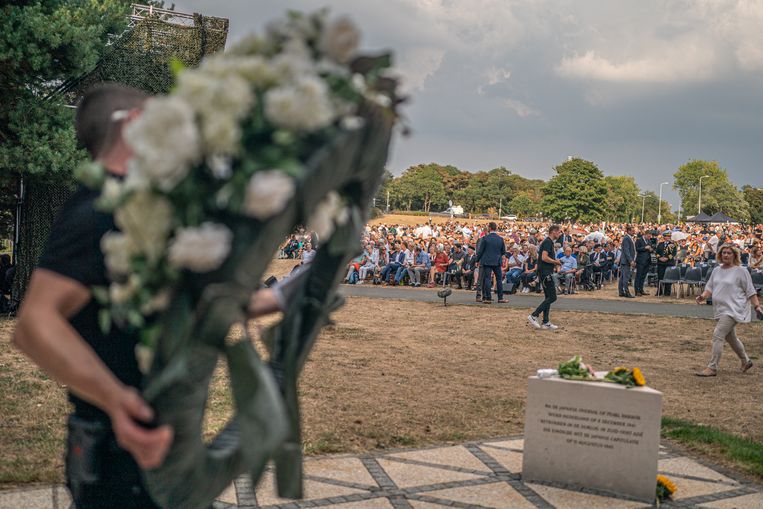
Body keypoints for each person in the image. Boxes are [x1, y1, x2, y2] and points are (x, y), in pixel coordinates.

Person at [12, 85, 172, 508]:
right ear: (135, 125)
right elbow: (33, 325)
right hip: (115, 458)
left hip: (153, 450)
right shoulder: (97, 210)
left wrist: (282, 299)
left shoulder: (134, 209)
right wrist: (117, 401)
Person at [695, 244, 761, 377]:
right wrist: (703, 296)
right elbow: (710, 287)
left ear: (735, 255)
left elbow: (750, 291)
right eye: (724, 253)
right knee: (731, 339)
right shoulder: (717, 270)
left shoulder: (741, 271)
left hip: (734, 309)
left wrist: (757, 306)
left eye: (729, 253)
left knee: (718, 335)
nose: (726, 255)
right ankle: (746, 361)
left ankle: (712, 367)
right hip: (720, 309)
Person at [528, 224, 563, 330]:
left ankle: (546, 322)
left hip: (545, 272)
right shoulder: (548, 242)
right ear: (553, 232)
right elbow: (544, 257)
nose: (559, 234)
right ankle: (534, 315)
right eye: (558, 232)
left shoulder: (548, 242)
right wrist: (556, 262)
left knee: (548, 297)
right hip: (545, 273)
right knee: (553, 297)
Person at [475, 222, 507, 303]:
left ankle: (488, 298)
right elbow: (503, 251)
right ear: (495, 228)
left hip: (487, 261)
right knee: (499, 279)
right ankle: (500, 298)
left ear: (489, 228)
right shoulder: (500, 239)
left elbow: (480, 251)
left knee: (487, 279)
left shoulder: (485, 238)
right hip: (497, 261)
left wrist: (477, 260)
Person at [655, 231, 676, 296]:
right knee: (660, 277)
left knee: (668, 277)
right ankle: (659, 291)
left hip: (669, 263)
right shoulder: (660, 244)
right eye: (667, 236)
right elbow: (656, 253)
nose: (668, 237)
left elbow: (674, 253)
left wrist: (667, 258)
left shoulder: (673, 244)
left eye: (669, 236)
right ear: (664, 237)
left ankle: (667, 292)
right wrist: (659, 258)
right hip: (661, 263)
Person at [634, 229, 654, 296]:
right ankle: (637, 291)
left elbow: (651, 249)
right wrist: (645, 247)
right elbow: (637, 249)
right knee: (638, 276)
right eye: (648, 236)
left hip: (647, 261)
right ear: (645, 234)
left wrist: (651, 249)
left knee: (643, 276)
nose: (649, 237)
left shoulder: (649, 241)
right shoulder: (639, 240)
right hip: (640, 261)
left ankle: (641, 289)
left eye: (650, 236)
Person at [619, 225, 636, 298]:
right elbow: (626, 251)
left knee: (623, 277)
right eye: (632, 231)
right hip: (626, 261)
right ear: (628, 231)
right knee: (625, 277)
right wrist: (631, 260)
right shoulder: (626, 238)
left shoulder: (629, 238)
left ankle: (621, 291)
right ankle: (626, 292)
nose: (634, 232)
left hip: (626, 261)